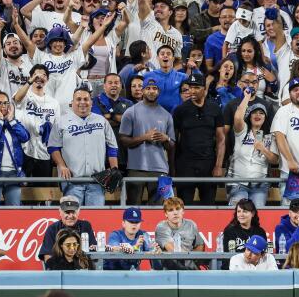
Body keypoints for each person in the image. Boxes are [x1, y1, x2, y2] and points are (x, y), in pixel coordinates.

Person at [49, 87, 119, 206]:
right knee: (71, 218)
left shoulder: (101, 121)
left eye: (86, 99)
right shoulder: (61, 122)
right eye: (78, 99)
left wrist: (114, 169)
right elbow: (53, 147)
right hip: (71, 180)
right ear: (72, 102)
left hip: (97, 181)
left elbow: (112, 148)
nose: (82, 102)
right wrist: (61, 165)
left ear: (91, 102)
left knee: (96, 221)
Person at [119, 77, 175, 205]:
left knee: (160, 210)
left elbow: (172, 145)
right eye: (148, 88)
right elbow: (123, 140)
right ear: (143, 91)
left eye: (154, 88)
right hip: (135, 169)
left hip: (161, 170)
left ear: (159, 91)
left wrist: (166, 139)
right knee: (133, 208)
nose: (151, 91)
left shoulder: (166, 115)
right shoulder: (130, 112)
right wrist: (144, 137)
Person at [172, 72, 225, 205]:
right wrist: (172, 167)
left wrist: (218, 166)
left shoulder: (215, 108)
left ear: (204, 89)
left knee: (209, 207)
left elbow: (221, 139)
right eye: (190, 87)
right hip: (185, 165)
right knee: (184, 206)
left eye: (196, 87)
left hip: (208, 164)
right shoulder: (180, 110)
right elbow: (173, 141)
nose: (192, 91)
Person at [0, 90, 30, 206]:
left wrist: (11, 120)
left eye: (6, 103)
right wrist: (0, 120)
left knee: (14, 211)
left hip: (13, 173)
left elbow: (25, 137)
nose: (4, 106)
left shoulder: (13, 123)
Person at [38, 196, 98, 263]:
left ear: (78, 212)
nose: (70, 216)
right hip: (60, 269)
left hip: (83, 268)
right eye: (67, 212)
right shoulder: (52, 229)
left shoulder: (85, 226)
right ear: (60, 212)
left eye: (73, 212)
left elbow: (94, 252)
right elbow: (47, 256)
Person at [154, 197, 206, 271]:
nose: (175, 213)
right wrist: (191, 256)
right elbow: (174, 249)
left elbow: (200, 245)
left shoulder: (191, 224)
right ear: (166, 214)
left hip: (191, 268)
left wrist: (193, 259)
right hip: (169, 270)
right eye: (171, 210)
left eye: (178, 209)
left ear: (183, 211)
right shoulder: (161, 227)